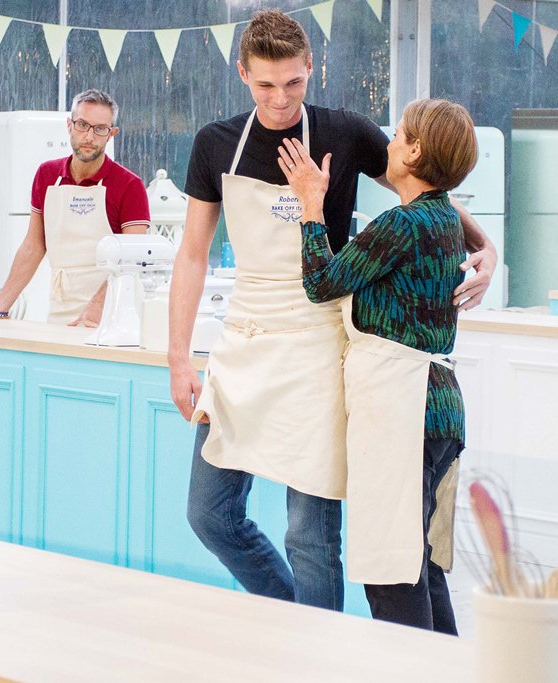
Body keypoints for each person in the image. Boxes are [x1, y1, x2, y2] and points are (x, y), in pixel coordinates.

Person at [168, 10, 497, 612]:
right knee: (208, 513)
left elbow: (427, 189)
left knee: (310, 537)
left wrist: (485, 245)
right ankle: (291, 613)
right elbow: (192, 255)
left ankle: (318, 646)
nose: (280, 99)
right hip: (244, 343)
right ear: (242, 74)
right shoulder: (215, 143)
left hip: (319, 342)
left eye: (293, 82)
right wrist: (178, 358)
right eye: (266, 85)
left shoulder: (344, 132)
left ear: (310, 68)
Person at [280, 98, 476, 633]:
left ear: (414, 151)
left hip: (402, 410)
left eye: (399, 135)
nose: (389, 143)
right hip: (439, 406)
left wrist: (311, 203)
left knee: (393, 574)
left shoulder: (402, 224)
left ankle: (409, 669)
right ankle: (448, 669)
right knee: (422, 569)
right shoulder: (444, 220)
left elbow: (321, 282)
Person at [0, 89, 150, 325]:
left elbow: (131, 260)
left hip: (115, 314)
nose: (89, 136)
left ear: (111, 134)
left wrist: (97, 309)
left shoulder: (130, 185)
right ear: (69, 125)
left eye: (100, 129)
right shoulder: (47, 175)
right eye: (82, 125)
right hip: (61, 309)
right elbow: (33, 246)